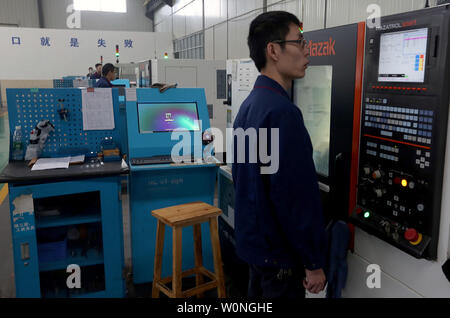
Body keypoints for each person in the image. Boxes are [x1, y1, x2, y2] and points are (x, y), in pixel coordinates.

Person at [232, 11, 327, 298]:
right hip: (282, 261)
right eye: (300, 42)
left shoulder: (249, 107)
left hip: (257, 253)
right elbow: (293, 196)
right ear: (273, 50)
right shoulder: (283, 113)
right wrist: (313, 262)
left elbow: (245, 180)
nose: (307, 51)